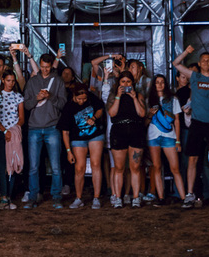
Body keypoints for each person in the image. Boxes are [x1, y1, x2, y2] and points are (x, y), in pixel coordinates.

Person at [173, 45, 209, 209]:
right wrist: (186, 52)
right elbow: (176, 63)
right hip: (197, 123)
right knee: (192, 159)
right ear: (200, 63)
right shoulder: (194, 76)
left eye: (208, 60)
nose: (206, 62)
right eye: (203, 60)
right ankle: (189, 194)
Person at [23, 53, 68, 209]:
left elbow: (63, 104)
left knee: (56, 166)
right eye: (42, 67)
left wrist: (50, 97)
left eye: (47, 67)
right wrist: (37, 98)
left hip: (52, 127)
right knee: (33, 166)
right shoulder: (33, 81)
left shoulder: (58, 81)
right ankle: (33, 196)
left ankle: (56, 196)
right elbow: (26, 105)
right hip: (34, 127)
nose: (45, 70)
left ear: (52, 66)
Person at [57, 85, 106, 209]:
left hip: (95, 135)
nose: (82, 101)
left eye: (84, 99)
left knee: (96, 164)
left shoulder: (91, 97)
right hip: (77, 138)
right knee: (79, 168)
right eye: (79, 99)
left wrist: (94, 118)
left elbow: (100, 109)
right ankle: (78, 198)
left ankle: (96, 197)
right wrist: (68, 151)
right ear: (74, 96)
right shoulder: (68, 107)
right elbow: (65, 132)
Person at [107, 71, 147, 208]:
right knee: (119, 167)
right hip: (119, 131)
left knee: (135, 167)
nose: (125, 85)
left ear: (133, 83)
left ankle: (135, 197)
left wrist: (134, 98)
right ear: (118, 83)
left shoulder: (139, 95)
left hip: (136, 131)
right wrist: (118, 96)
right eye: (123, 82)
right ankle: (118, 197)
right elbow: (112, 113)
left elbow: (142, 114)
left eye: (128, 82)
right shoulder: (113, 96)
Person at [146, 74, 186, 206]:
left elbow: (177, 121)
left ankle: (183, 198)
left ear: (165, 84)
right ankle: (161, 198)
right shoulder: (149, 99)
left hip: (170, 136)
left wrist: (178, 140)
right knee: (157, 167)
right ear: (154, 84)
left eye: (162, 82)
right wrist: (149, 115)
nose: (160, 84)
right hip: (153, 136)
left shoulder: (173, 99)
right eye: (157, 82)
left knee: (175, 168)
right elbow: (145, 121)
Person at [0, 69, 25, 210]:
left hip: (14, 133)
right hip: (0, 133)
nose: (10, 83)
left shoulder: (18, 96)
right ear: (3, 80)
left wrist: (12, 131)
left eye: (13, 80)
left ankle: (9, 196)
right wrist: (4, 130)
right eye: (8, 80)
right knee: (1, 164)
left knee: (13, 163)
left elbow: (22, 118)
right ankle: (4, 196)